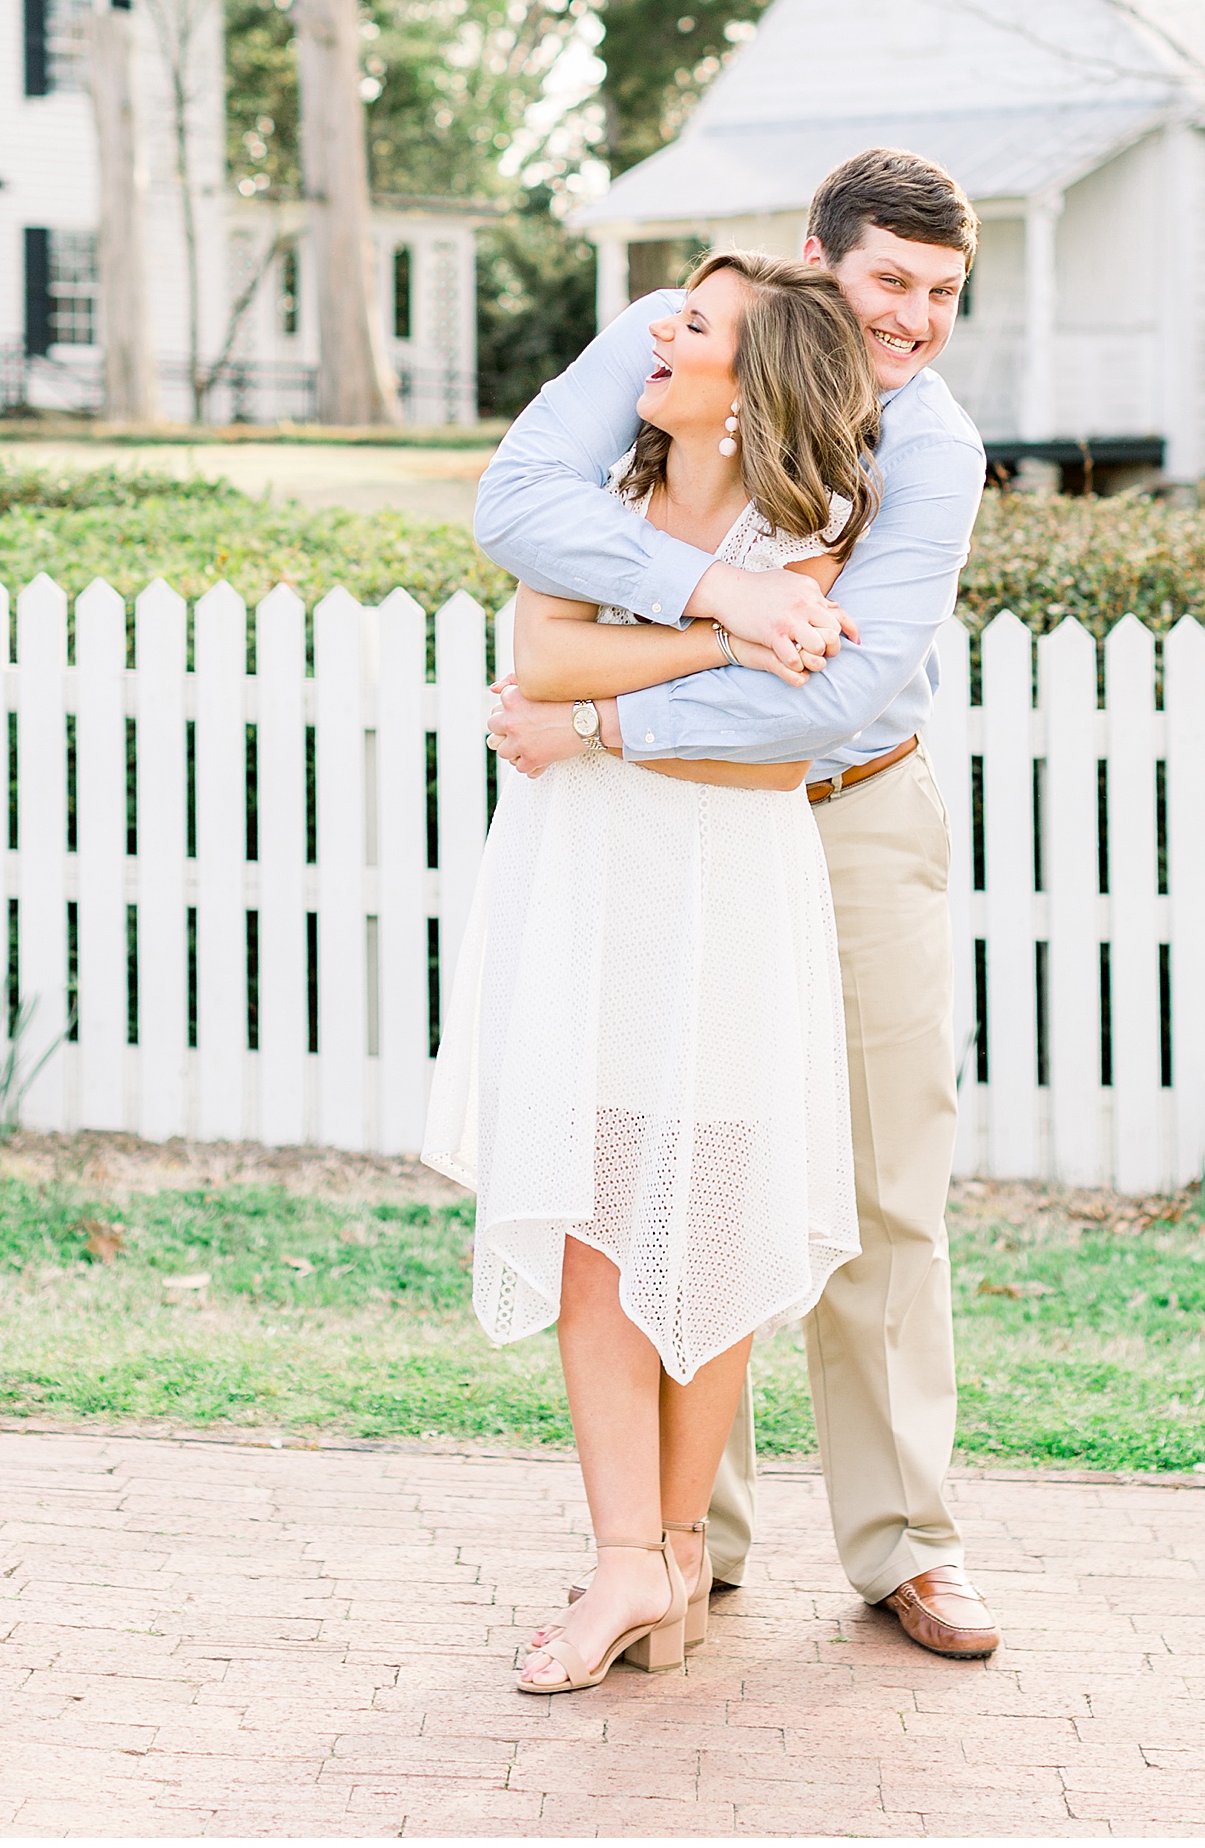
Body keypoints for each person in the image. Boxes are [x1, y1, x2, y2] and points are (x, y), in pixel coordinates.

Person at [475, 148, 1001, 1661]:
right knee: (673, 1177)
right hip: (663, 840)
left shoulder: (932, 445)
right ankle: (683, 1541)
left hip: (849, 812)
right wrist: (712, 598)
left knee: (884, 1182)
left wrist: (601, 725)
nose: (911, 319)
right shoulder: (672, 337)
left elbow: (832, 696)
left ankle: (907, 1543)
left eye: (943, 293)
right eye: (889, 280)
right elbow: (518, 505)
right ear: (814, 265)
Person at [423, 252, 882, 1693]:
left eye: (691, 327)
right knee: (596, 1224)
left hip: (727, 889)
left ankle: (677, 1552)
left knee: (713, 1231)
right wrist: (716, 618)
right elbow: (533, 655)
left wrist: (620, 702)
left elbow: (771, 735)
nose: (654, 338)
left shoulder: (814, 523)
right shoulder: (608, 503)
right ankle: (627, 1553)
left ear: (745, 394)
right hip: (593, 885)